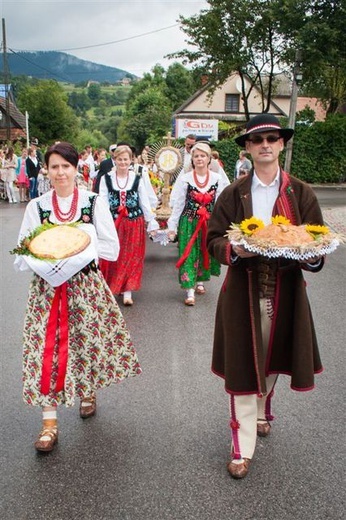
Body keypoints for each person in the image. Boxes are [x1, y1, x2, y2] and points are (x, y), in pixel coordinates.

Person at [207, 114, 325, 479]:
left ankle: (262, 407)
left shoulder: (300, 193)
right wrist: (234, 250)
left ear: (282, 144)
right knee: (245, 362)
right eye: (257, 140)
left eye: (272, 138)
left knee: (274, 355)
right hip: (242, 289)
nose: (265, 145)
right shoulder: (232, 193)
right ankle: (241, 448)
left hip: (286, 289)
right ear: (247, 147)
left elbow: (316, 241)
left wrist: (312, 254)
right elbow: (213, 240)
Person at [13, 141, 141, 453]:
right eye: (54, 166)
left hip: (86, 285)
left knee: (87, 343)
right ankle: (49, 423)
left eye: (65, 166)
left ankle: (87, 390)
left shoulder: (92, 202)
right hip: (47, 289)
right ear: (47, 169)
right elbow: (22, 250)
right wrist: (46, 262)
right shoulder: (38, 206)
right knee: (47, 352)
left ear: (75, 169)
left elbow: (110, 246)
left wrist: (82, 252)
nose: (60, 172)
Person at [167, 142, 229, 306]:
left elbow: (222, 203)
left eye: (203, 156)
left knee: (205, 251)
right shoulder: (186, 179)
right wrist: (172, 226)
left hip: (209, 222)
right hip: (188, 221)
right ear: (192, 159)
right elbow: (179, 204)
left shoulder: (217, 178)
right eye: (196, 156)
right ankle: (190, 291)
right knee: (188, 254)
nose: (199, 159)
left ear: (209, 159)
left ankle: (200, 281)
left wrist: (225, 224)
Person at [98, 144, 160, 305]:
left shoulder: (137, 179)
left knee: (132, 256)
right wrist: (102, 223)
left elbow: (144, 201)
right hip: (114, 223)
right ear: (115, 160)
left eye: (126, 159)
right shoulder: (106, 179)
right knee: (115, 255)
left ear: (131, 160)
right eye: (119, 159)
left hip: (134, 222)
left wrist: (151, 221)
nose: (123, 162)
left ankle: (127, 291)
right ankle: (114, 287)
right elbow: (102, 202)